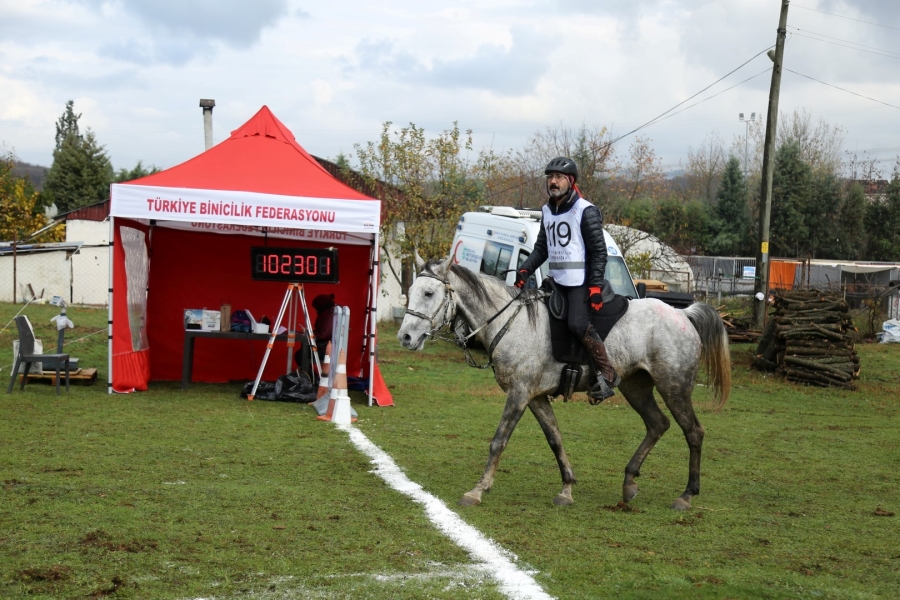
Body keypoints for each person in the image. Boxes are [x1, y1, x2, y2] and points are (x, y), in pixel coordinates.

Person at [515, 157, 620, 402]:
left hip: (581, 284)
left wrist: (595, 285)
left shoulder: (586, 210)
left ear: (570, 181)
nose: (553, 182)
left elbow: (599, 252)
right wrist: (524, 271)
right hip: (557, 281)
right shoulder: (547, 210)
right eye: (550, 177)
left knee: (577, 324)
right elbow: (542, 249)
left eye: (558, 177)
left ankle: (607, 373)